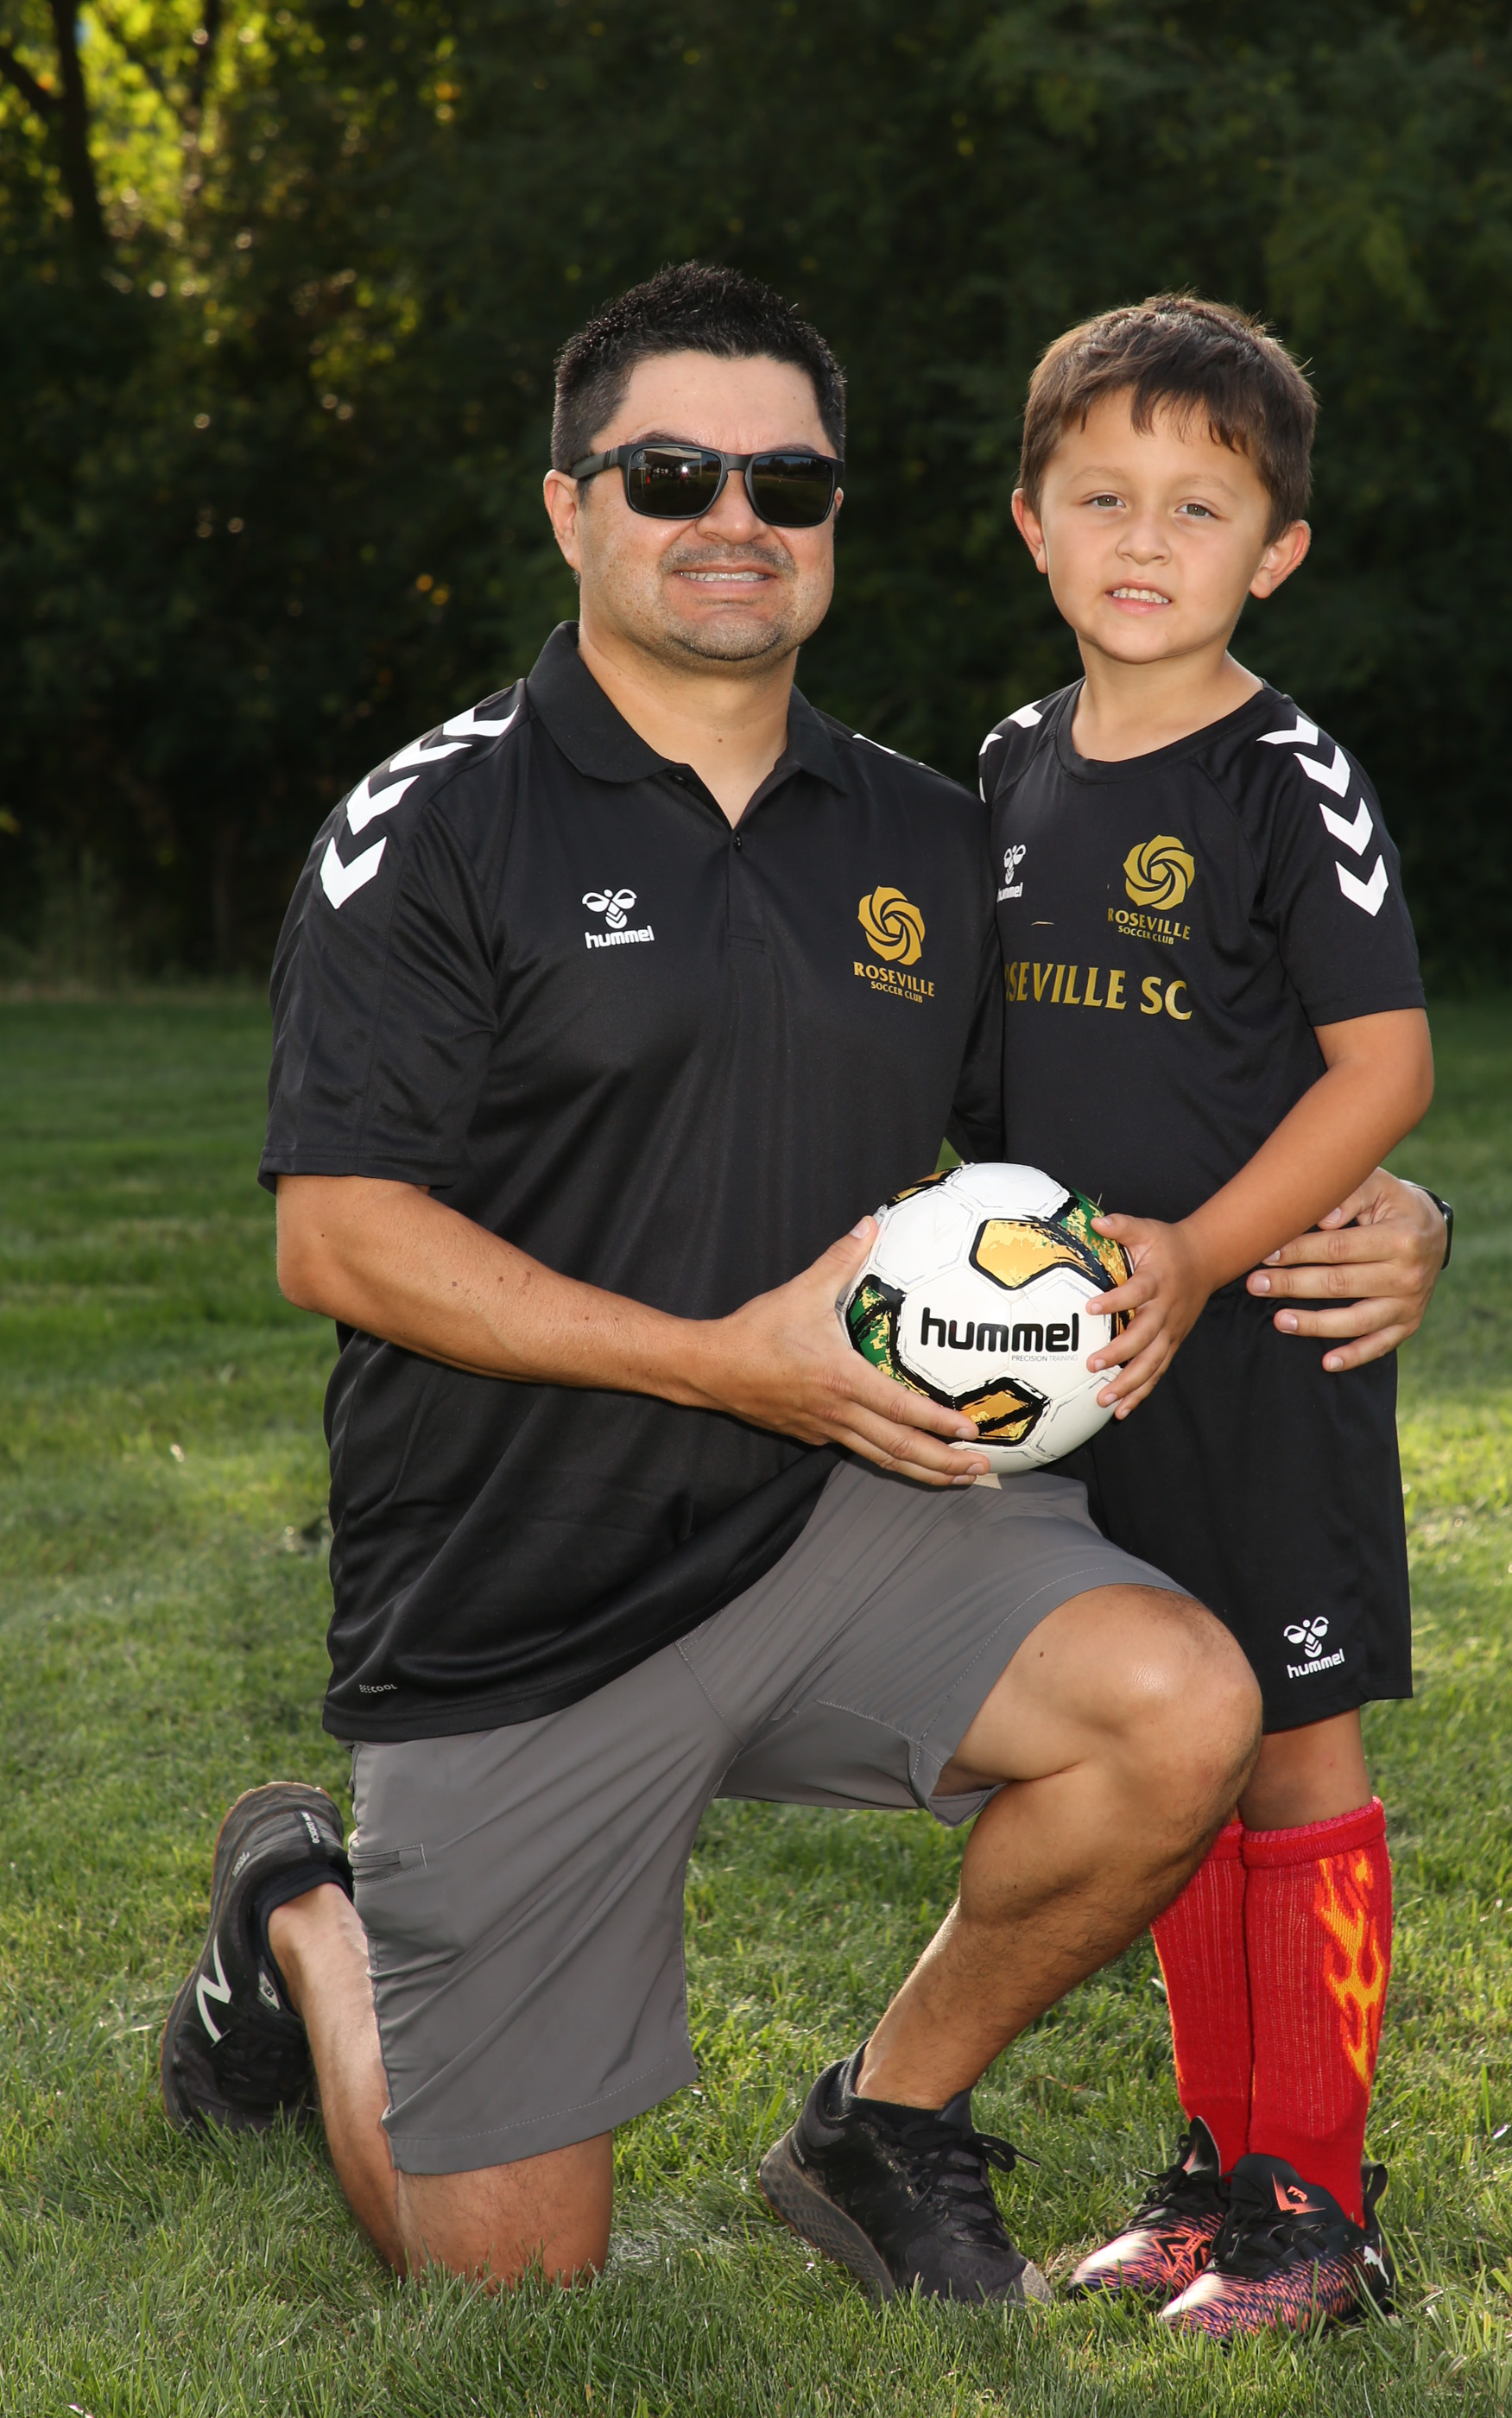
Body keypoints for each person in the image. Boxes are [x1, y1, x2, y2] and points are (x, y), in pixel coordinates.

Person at [159, 263, 1264, 2301]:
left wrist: (1385, 1197)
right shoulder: (439, 823)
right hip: (520, 1587)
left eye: (788, 480)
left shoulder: (931, 833)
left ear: (834, 515)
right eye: (671, 473)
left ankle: (881, 2118)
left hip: (837, 1510)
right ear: (569, 505)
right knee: (507, 2281)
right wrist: (720, 1359)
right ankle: (297, 1911)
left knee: (1179, 1701)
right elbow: (340, 1230)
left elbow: (1111, 1119)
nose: (733, 516)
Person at [980, 294, 1446, 2337]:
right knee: (1180, 1743)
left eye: (1199, 504)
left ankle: (1315, 2206)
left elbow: (1381, 1066)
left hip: (1261, 1342)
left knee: (1294, 1741)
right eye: (1103, 496)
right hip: (1092, 1355)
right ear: (1030, 523)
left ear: (1278, 551)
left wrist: (1202, 1247)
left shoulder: (1285, 774)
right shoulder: (1006, 766)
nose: (1144, 538)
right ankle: (1211, 2176)